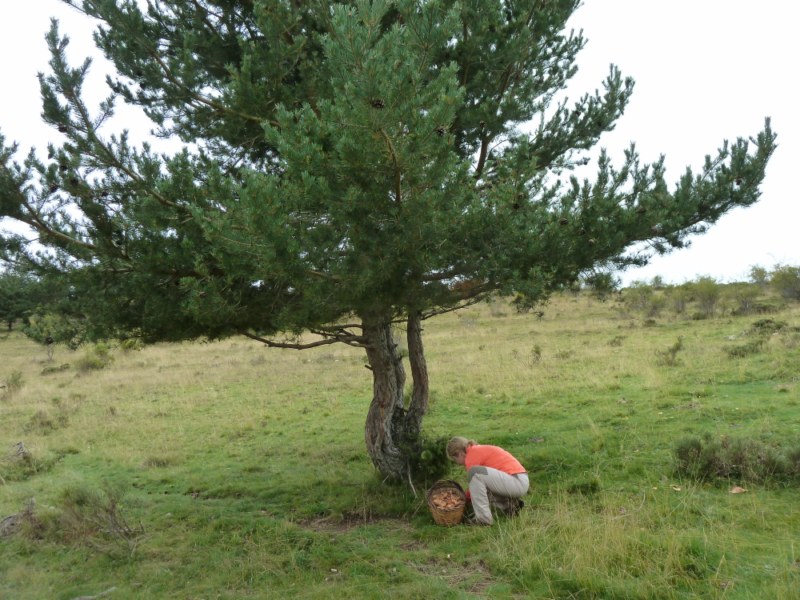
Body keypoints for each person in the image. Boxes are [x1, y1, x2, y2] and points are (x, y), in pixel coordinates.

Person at [446, 436, 529, 525]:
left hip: (516, 482)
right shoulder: (477, 450)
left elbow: (473, 487)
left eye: (455, 460)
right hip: (518, 480)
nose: (457, 463)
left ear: (458, 453)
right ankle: (511, 504)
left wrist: (463, 499)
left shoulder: (472, 455)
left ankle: (483, 520)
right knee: (481, 487)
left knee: (474, 473)